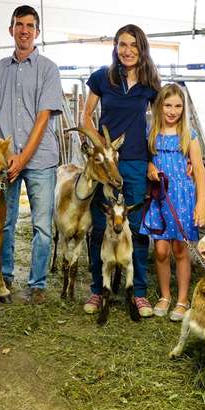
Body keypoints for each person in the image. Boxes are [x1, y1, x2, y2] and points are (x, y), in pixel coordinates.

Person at [0, 5, 63, 305]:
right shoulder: (0, 68)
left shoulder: (48, 69)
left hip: (40, 161)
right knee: (5, 221)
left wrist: (22, 157)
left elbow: (43, 119)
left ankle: (37, 284)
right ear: (10, 30)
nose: (24, 30)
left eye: (29, 25)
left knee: (41, 225)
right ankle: (5, 279)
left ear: (37, 32)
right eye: (18, 25)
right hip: (4, 162)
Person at [81, 24, 161, 318]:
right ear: (115, 46)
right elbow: (86, 116)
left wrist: (154, 158)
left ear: (142, 50)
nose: (127, 51)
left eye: (134, 46)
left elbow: (159, 124)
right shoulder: (103, 77)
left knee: (137, 227)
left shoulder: (151, 82)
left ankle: (137, 291)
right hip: (107, 165)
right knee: (101, 226)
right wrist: (100, 146)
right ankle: (97, 289)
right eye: (122, 45)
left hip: (137, 161)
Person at [141, 83, 205, 322]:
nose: (172, 110)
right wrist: (149, 167)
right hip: (160, 195)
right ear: (159, 106)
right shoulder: (151, 132)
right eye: (168, 105)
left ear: (184, 108)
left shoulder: (189, 134)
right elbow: (145, 159)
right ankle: (165, 296)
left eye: (178, 106)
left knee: (180, 248)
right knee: (160, 249)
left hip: (182, 195)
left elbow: (199, 169)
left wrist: (201, 203)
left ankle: (182, 299)